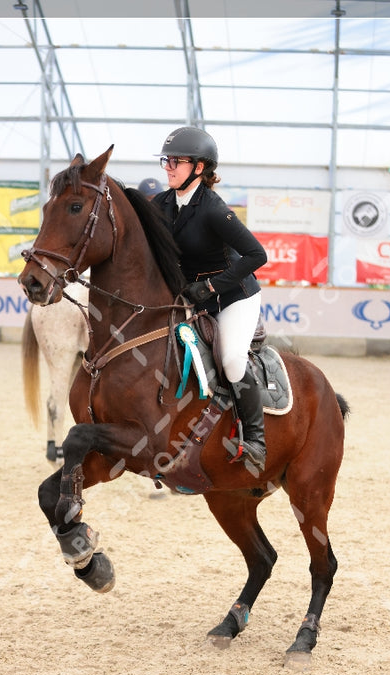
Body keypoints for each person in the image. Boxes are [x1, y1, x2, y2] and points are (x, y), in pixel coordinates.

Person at [152, 126, 268, 471]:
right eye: (166, 160)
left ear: (199, 168)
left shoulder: (214, 210)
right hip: (191, 297)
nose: (169, 167)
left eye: (176, 161)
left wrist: (214, 287)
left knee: (232, 360)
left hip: (234, 297)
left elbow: (256, 255)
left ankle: (256, 441)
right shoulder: (162, 204)